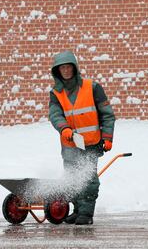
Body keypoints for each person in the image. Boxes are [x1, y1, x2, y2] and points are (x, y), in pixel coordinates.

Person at [49, 50, 115, 225]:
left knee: (88, 179)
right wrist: (64, 129)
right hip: (69, 144)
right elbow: (55, 115)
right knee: (72, 179)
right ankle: (77, 210)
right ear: (57, 71)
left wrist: (107, 137)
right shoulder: (56, 93)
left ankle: (86, 214)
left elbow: (107, 115)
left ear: (74, 68)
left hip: (91, 143)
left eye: (68, 67)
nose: (66, 71)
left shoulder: (92, 87)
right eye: (62, 68)